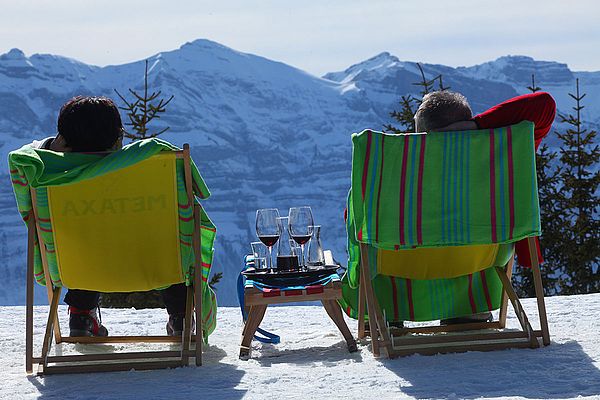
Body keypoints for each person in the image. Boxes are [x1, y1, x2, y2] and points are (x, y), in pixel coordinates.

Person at [31, 96, 189, 337]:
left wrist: (57, 147)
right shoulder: (150, 169)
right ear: (117, 136)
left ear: (64, 140)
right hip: (153, 264)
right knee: (171, 237)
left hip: (80, 267)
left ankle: (81, 316)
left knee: (81, 240)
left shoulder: (51, 177)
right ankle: (181, 316)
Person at [413, 90, 556, 323]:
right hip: (483, 271)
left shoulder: (409, 169)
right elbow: (543, 104)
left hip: (411, 283)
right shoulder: (503, 152)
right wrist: (478, 128)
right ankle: (468, 306)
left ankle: (381, 312)